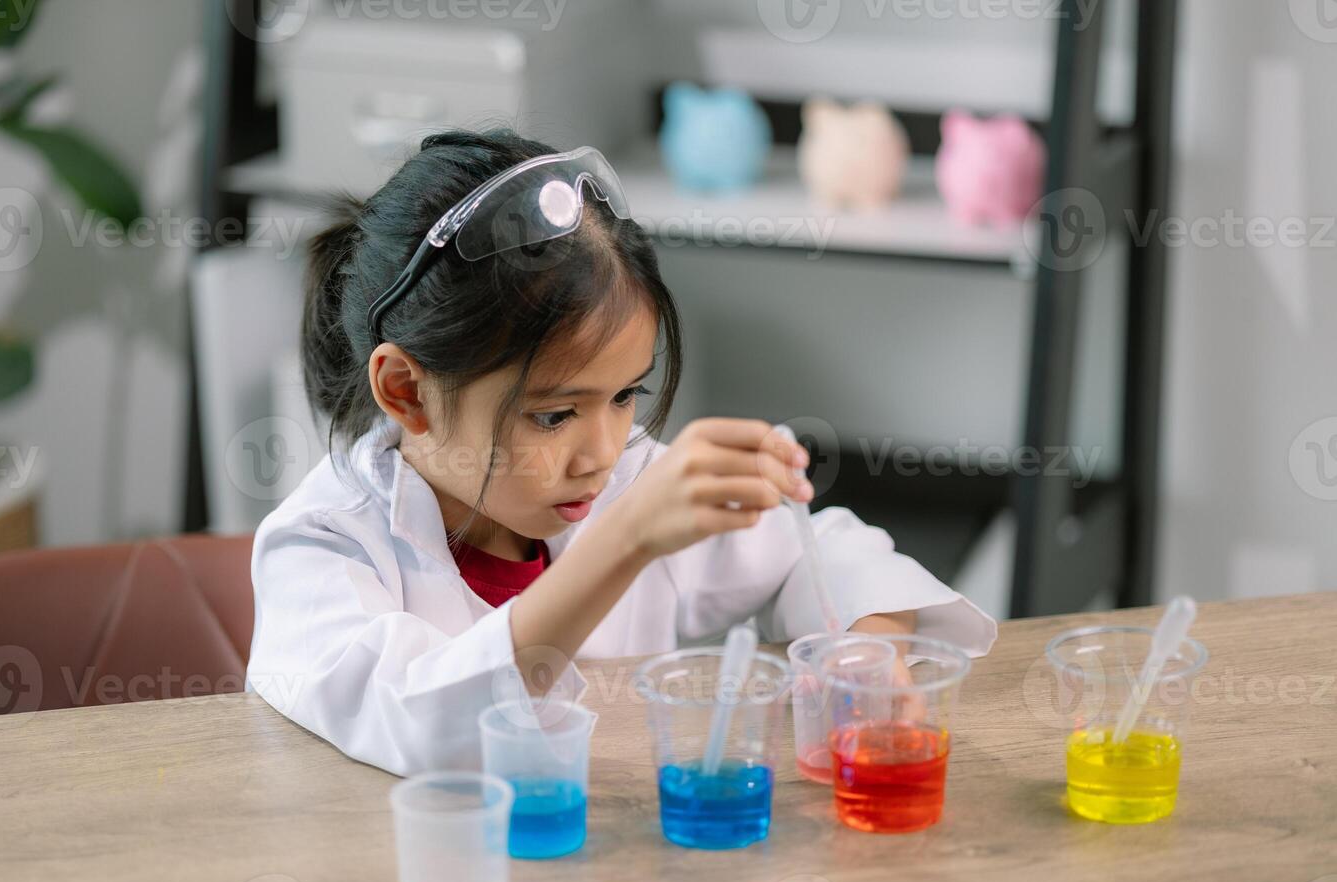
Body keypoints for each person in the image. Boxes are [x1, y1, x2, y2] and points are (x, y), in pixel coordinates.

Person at [246, 129, 996, 775]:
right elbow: (422, 725)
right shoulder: (320, 551)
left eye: (625, 395)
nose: (601, 454)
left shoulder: (625, 473)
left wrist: (871, 652)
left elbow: (818, 550)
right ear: (407, 391)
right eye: (553, 416)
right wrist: (627, 540)